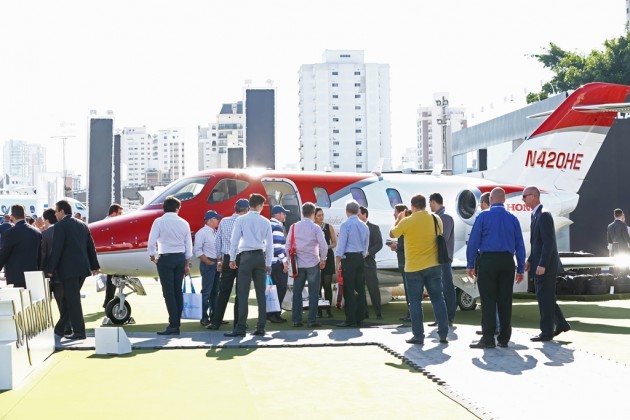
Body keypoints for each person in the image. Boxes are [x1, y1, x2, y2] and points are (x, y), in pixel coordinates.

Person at [466, 187, 525, 349]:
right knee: (505, 300)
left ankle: (488, 339)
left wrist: (470, 264)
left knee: (488, 300)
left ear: (490, 200)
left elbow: (473, 242)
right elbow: (520, 245)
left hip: (488, 261)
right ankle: (504, 338)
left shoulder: (483, 216)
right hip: (507, 261)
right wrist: (520, 268)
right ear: (504, 200)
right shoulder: (513, 218)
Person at [390, 194, 449, 345]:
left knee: (415, 303)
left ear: (412, 206)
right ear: (425, 205)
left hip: (413, 268)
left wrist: (400, 218)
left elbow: (393, 233)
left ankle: (418, 336)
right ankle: (443, 334)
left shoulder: (407, 221)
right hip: (434, 265)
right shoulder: (436, 219)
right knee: (438, 299)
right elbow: (439, 234)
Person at [523, 186, 571, 341]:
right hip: (539, 263)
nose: (523, 199)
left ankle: (546, 333)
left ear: (534, 196)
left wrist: (542, 264)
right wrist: (530, 260)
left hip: (546, 266)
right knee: (546, 297)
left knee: (545, 299)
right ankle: (562, 324)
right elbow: (536, 243)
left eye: (525, 196)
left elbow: (548, 243)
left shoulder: (543, 215)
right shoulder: (535, 215)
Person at [48, 200, 100, 340]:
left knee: (73, 301)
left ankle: (79, 332)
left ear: (62, 211)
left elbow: (57, 249)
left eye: (56, 211)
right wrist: (95, 266)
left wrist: (50, 269)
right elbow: (91, 247)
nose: (56, 214)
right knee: (70, 299)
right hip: (82, 269)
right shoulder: (82, 225)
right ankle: (60, 329)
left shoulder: (60, 226)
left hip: (68, 270)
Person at [225, 193, 273, 337]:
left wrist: (232, 259)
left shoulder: (241, 220)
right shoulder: (265, 221)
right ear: (259, 206)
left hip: (245, 257)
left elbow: (234, 241)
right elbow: (269, 245)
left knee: (242, 293)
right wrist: (268, 263)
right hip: (259, 256)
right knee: (260, 294)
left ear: (250, 204)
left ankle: (240, 327)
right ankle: (261, 326)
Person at [147, 196, 193, 335]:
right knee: (177, 290)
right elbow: (188, 245)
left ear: (164, 208)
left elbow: (151, 241)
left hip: (165, 258)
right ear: (177, 208)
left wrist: (152, 256)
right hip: (180, 258)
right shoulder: (184, 222)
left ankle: (173, 324)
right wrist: (187, 263)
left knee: (169, 293)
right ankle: (176, 323)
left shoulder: (159, 221)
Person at [206, 198, 249, 330]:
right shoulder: (247, 222)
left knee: (223, 291)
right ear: (246, 209)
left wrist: (219, 259)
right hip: (242, 258)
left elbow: (217, 241)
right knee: (241, 292)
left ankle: (215, 322)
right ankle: (239, 323)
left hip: (227, 257)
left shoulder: (224, 221)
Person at [286, 202, 328, 327]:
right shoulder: (316, 228)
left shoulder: (293, 226)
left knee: (297, 292)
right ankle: (311, 320)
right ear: (313, 213)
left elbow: (287, 245)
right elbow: (324, 245)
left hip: (298, 264)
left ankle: (296, 319)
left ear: (302, 212)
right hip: (313, 262)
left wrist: (290, 260)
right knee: (314, 292)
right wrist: (323, 259)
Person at [334, 200, 369, 327]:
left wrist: (337, 260)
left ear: (347, 211)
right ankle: (360, 316)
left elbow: (341, 244)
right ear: (358, 211)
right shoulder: (364, 225)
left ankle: (350, 318)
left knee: (348, 289)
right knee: (360, 288)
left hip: (349, 258)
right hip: (360, 257)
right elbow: (366, 245)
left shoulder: (346, 224)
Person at [40, 208, 70, 336]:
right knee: (62, 302)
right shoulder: (63, 231)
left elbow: (43, 255)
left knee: (45, 302)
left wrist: (41, 270)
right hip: (61, 273)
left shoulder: (45, 234)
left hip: (46, 274)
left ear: (46, 219)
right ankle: (66, 327)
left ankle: (45, 328)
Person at [429, 193, 455, 327]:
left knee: (447, 288)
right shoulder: (440, 217)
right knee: (439, 289)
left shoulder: (445, 217)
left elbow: (442, 238)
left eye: (430, 203)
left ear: (433, 202)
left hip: (443, 258)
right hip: (438, 258)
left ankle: (449, 318)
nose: (429, 206)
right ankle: (441, 318)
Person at [0, 204, 42, 288]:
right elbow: (40, 255)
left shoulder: (11, 233)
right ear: (24, 215)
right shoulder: (37, 232)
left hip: (15, 276)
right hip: (32, 275)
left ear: (12, 216)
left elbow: (4, 253)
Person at [194, 210, 222, 326]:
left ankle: (214, 316)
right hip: (208, 263)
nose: (218, 221)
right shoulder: (202, 232)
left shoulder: (214, 232)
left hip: (214, 263)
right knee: (207, 291)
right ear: (211, 220)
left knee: (215, 291)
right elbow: (197, 250)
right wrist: (208, 262)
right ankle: (204, 317)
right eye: (217, 219)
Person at [358, 206, 383, 319]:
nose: (357, 217)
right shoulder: (355, 227)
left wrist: (369, 252)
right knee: (360, 289)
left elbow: (379, 244)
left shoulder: (374, 227)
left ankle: (378, 312)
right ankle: (364, 312)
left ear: (365, 215)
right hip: (357, 262)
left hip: (369, 262)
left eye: (358, 215)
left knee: (373, 288)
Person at [388, 204, 410, 322]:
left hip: (406, 263)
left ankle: (411, 313)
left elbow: (406, 244)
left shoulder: (404, 224)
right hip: (405, 262)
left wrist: (397, 245)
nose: (394, 214)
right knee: (408, 289)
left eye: (395, 212)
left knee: (409, 289)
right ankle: (410, 313)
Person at [268, 205, 289, 323]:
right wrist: (285, 262)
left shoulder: (269, 225)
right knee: (281, 288)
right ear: (278, 215)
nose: (285, 215)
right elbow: (277, 248)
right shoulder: (277, 226)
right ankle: (275, 314)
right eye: (283, 213)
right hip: (277, 263)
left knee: (272, 289)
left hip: (270, 263)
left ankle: (270, 313)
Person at [315, 207, 336, 318]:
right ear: (314, 216)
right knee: (317, 286)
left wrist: (326, 247)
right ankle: (319, 311)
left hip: (328, 257)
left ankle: (328, 310)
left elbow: (334, 243)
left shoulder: (329, 227)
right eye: (319, 215)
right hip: (315, 258)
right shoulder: (312, 227)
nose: (321, 217)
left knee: (327, 285)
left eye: (322, 215)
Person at [103, 203, 124, 308]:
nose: (121, 215)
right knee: (112, 280)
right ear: (113, 213)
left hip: (110, 256)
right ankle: (109, 302)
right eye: (119, 213)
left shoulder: (105, 222)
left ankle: (108, 301)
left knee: (112, 280)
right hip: (111, 256)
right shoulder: (109, 223)